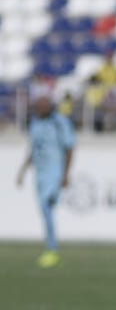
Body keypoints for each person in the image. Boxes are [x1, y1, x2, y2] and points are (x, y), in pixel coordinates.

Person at [16, 96, 76, 268]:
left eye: (43, 106)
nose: (40, 108)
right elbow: (33, 149)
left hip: (54, 172)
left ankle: (52, 249)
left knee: (46, 206)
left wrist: (66, 174)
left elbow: (70, 147)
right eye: (38, 106)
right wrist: (23, 171)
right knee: (45, 209)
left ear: (51, 106)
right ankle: (51, 248)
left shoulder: (60, 123)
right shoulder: (35, 124)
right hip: (40, 174)